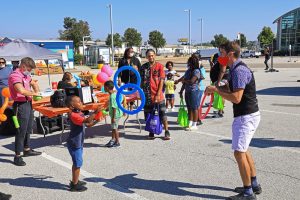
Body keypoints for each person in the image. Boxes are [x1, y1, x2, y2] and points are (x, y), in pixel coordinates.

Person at [205, 41, 261, 200]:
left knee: (239, 152)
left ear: (230, 54)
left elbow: (236, 98)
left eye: (221, 54)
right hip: (248, 114)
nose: (219, 58)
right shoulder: (236, 69)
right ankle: (254, 184)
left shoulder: (239, 70)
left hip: (245, 116)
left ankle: (248, 192)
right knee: (244, 149)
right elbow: (231, 89)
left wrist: (216, 90)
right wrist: (217, 89)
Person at [8, 57, 42, 166]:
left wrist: (37, 90)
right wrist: (34, 94)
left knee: (28, 128)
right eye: (29, 69)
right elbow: (21, 90)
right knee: (20, 131)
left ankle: (27, 149)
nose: (30, 71)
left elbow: (33, 83)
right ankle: (17, 156)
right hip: (20, 105)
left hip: (28, 104)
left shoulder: (25, 75)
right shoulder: (15, 75)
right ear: (23, 66)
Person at [65, 95, 102, 192]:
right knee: (77, 164)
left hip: (79, 142)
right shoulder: (74, 115)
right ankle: (74, 185)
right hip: (74, 144)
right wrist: (95, 112)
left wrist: (96, 121)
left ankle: (75, 180)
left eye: (81, 101)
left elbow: (88, 124)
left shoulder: (79, 112)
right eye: (79, 102)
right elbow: (87, 120)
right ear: (72, 106)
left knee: (77, 163)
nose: (81, 103)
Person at [139, 49, 170, 140]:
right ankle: (151, 131)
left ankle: (167, 131)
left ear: (155, 55)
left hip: (158, 96)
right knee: (148, 114)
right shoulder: (143, 67)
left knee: (162, 114)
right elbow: (140, 81)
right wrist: (139, 92)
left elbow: (161, 81)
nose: (151, 57)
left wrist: (158, 94)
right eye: (149, 56)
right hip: (147, 96)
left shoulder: (159, 66)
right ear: (146, 57)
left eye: (152, 55)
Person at [176, 55, 202, 131]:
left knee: (194, 108)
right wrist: (181, 90)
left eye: (191, 63)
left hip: (194, 91)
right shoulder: (188, 71)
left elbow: (191, 81)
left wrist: (182, 81)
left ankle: (195, 124)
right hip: (187, 91)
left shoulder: (196, 71)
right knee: (189, 108)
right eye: (189, 62)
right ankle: (190, 122)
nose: (189, 64)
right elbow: (183, 78)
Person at [104, 80, 124, 147]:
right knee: (113, 127)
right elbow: (112, 105)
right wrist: (107, 109)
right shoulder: (113, 94)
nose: (103, 88)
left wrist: (113, 118)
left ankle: (117, 142)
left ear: (107, 87)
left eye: (104, 87)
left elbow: (114, 107)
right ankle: (112, 140)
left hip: (115, 115)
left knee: (115, 128)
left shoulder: (112, 96)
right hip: (115, 114)